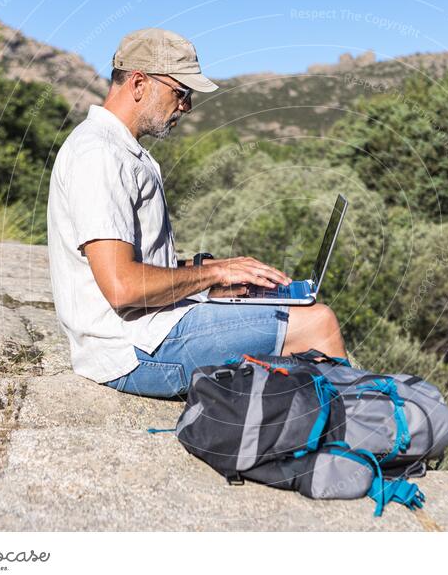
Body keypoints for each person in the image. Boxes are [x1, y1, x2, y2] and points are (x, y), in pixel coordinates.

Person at [47, 28, 347, 398]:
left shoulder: (117, 150)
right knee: (318, 323)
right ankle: (359, 440)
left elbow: (136, 264)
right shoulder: (100, 156)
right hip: (130, 350)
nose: (186, 106)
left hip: (146, 330)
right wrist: (212, 274)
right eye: (181, 93)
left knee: (295, 313)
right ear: (139, 83)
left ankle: (316, 435)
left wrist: (212, 278)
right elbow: (123, 286)